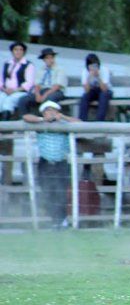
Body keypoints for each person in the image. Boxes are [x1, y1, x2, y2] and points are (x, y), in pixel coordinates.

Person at [22, 100, 80, 229]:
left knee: (61, 193)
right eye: (47, 111)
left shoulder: (64, 124)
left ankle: (63, 220)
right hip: (45, 163)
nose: (51, 113)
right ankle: (55, 221)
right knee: (48, 192)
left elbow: (81, 124)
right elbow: (25, 117)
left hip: (61, 163)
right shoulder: (40, 124)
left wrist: (63, 117)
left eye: (53, 111)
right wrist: (42, 118)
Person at [18, 48, 66, 115]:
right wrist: (37, 95)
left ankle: (46, 119)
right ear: (44, 60)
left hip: (55, 91)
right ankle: (26, 117)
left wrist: (45, 95)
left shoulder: (60, 69)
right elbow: (37, 85)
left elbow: (57, 86)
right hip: (42, 91)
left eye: (52, 57)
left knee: (49, 99)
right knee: (23, 99)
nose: (50, 60)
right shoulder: (41, 70)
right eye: (47, 58)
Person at [0, 41, 35, 120]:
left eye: (20, 50)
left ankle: (4, 128)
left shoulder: (28, 65)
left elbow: (29, 83)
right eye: (16, 49)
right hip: (5, 91)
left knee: (8, 101)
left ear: (24, 52)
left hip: (20, 92)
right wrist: (4, 89)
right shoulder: (7, 63)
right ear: (12, 51)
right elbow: (1, 80)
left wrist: (14, 90)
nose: (18, 52)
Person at [78, 53, 112, 121]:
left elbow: (104, 89)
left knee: (103, 95)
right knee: (84, 97)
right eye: (91, 65)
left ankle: (99, 121)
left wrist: (98, 77)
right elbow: (86, 91)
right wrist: (89, 77)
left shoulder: (104, 70)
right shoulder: (85, 72)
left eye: (95, 65)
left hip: (105, 91)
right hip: (92, 91)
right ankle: (81, 121)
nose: (93, 67)